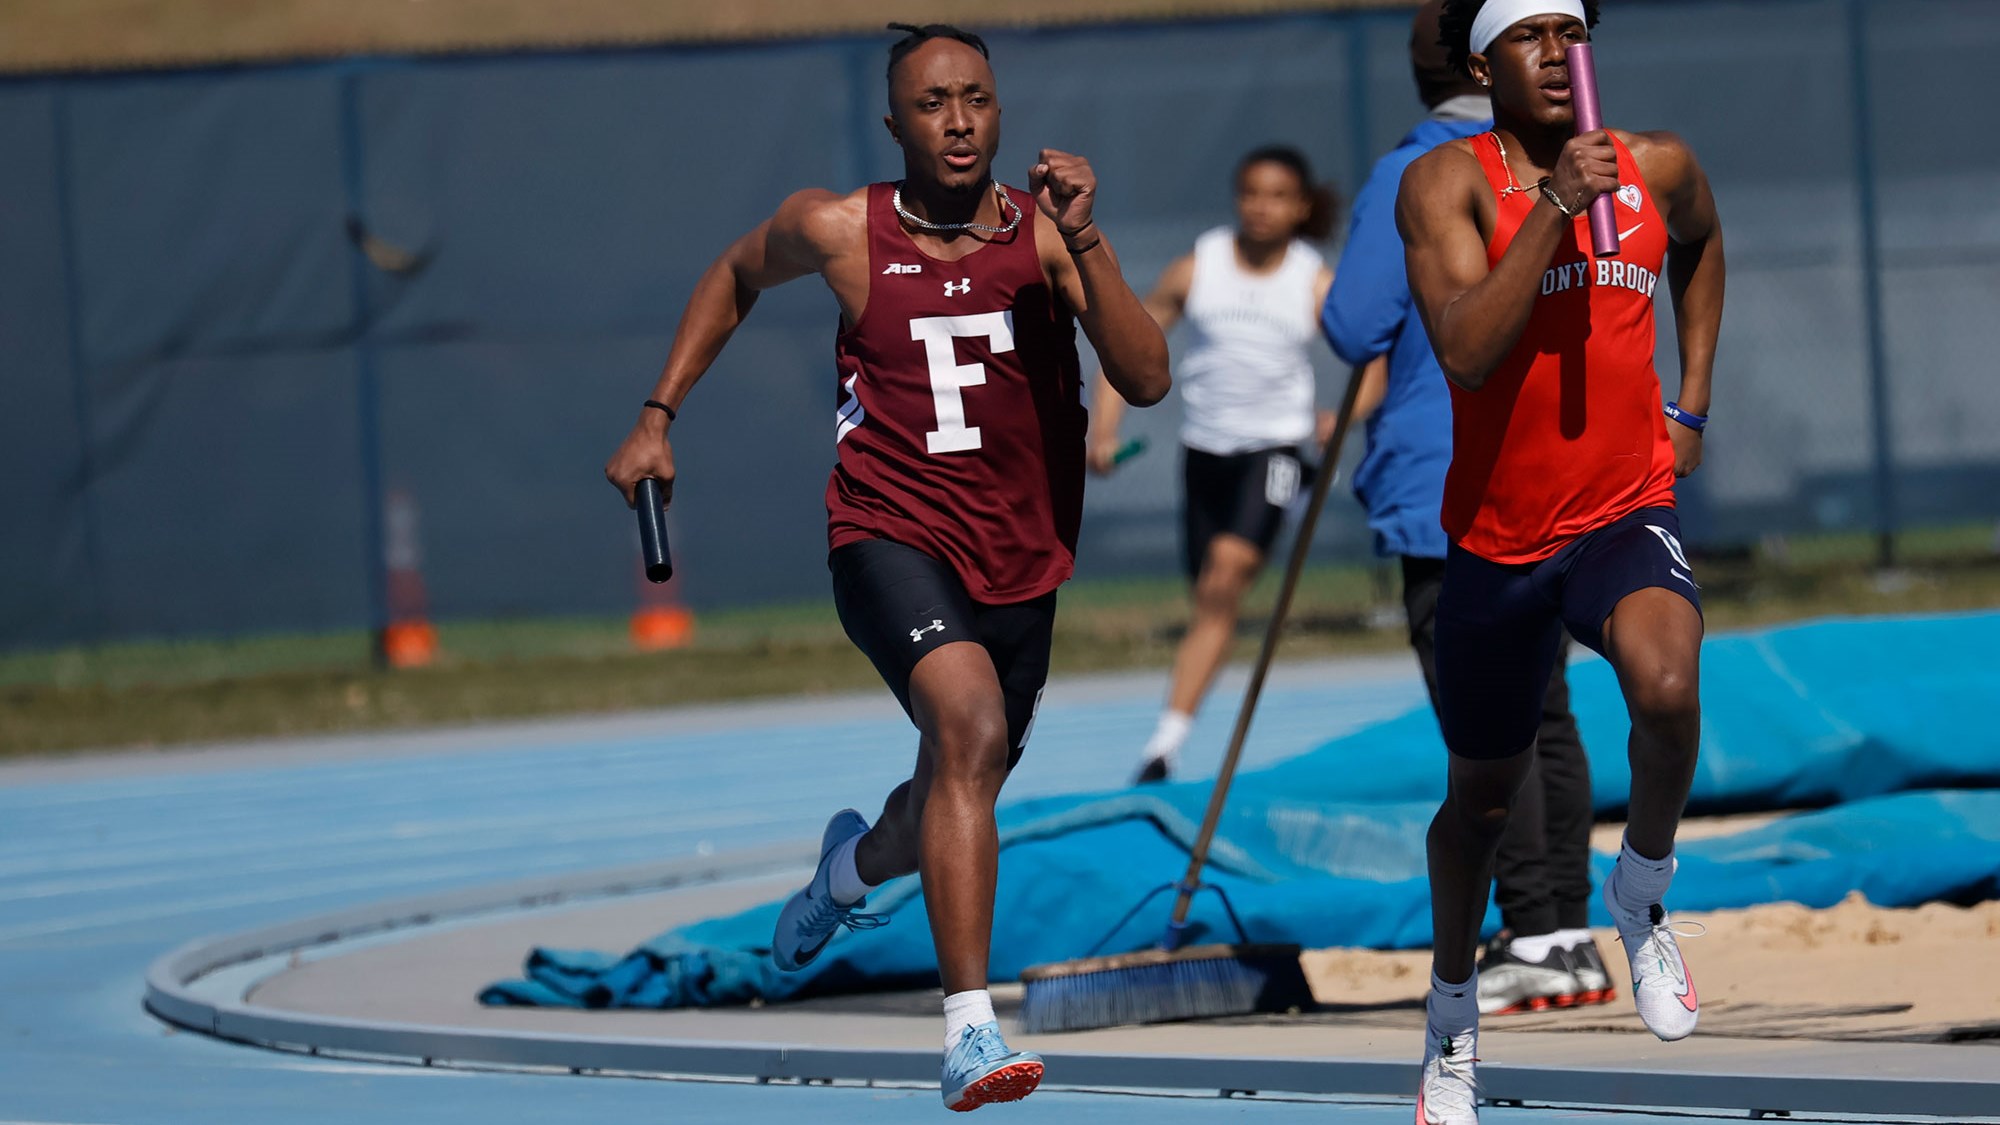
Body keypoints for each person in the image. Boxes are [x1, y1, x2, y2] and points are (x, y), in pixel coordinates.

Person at [602, 23, 1169, 1112]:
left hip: (1021, 557)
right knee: (967, 730)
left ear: (998, 111)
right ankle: (969, 1033)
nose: (957, 123)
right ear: (893, 123)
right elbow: (731, 275)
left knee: (952, 791)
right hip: (887, 533)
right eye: (931, 104)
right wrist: (656, 416)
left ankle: (848, 871)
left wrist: (1086, 240)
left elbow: (1144, 382)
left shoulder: (1045, 238)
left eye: (975, 100)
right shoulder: (836, 229)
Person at [1394, 2, 1725, 1121]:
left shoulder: (1655, 165)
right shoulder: (1446, 184)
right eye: (1528, 35)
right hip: (1494, 538)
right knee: (1479, 804)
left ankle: (1639, 891)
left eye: (1571, 33)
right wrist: (1551, 206)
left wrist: (1692, 399)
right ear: (1482, 59)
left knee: (1666, 686)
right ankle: (1448, 1014)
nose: (1554, 54)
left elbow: (1703, 243)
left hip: (1621, 507)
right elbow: (1467, 351)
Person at [1323, 0, 1613, 1021]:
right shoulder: (1567, 157)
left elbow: (1352, 322)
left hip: (1444, 478)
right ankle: (1567, 932)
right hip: (1560, 466)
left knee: (1486, 721)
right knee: (1545, 708)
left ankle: (1532, 928)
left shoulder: (1420, 170)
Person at [1086, 146, 1350, 785]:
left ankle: (1163, 743)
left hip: (1277, 448)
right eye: (1251, 192)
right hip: (1204, 451)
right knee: (1209, 595)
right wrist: (1104, 429)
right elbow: (1131, 345)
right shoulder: (1195, 267)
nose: (1263, 207)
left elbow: (1374, 363)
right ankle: (1172, 740)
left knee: (1226, 577)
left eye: (1279, 195)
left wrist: (1342, 417)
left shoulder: (1313, 281)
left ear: (1301, 207)